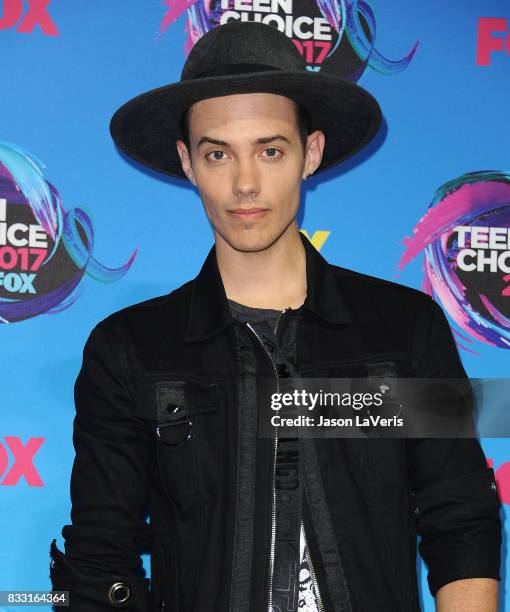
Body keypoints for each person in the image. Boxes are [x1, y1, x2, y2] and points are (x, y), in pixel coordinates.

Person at [49, 20, 503, 612]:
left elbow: (460, 518)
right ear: (187, 162)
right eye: (218, 154)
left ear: (310, 153)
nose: (245, 183)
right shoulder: (129, 350)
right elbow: (99, 554)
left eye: (270, 150)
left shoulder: (405, 329)